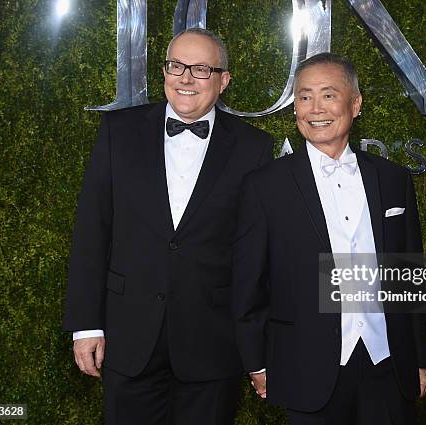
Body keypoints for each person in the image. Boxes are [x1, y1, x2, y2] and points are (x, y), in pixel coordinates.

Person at [62, 28, 274, 425]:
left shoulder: (254, 148)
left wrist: (257, 348)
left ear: (224, 80)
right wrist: (85, 324)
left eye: (200, 69)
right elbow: (93, 230)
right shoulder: (118, 132)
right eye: (176, 65)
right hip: (128, 338)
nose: (185, 78)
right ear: (164, 71)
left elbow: (256, 258)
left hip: (212, 345)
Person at [232, 52, 426, 424]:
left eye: (328, 94)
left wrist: (419, 359)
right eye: (304, 96)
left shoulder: (393, 179)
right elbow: (248, 286)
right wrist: (257, 362)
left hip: (387, 364)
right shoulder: (265, 186)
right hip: (305, 366)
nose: (314, 108)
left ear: (355, 104)